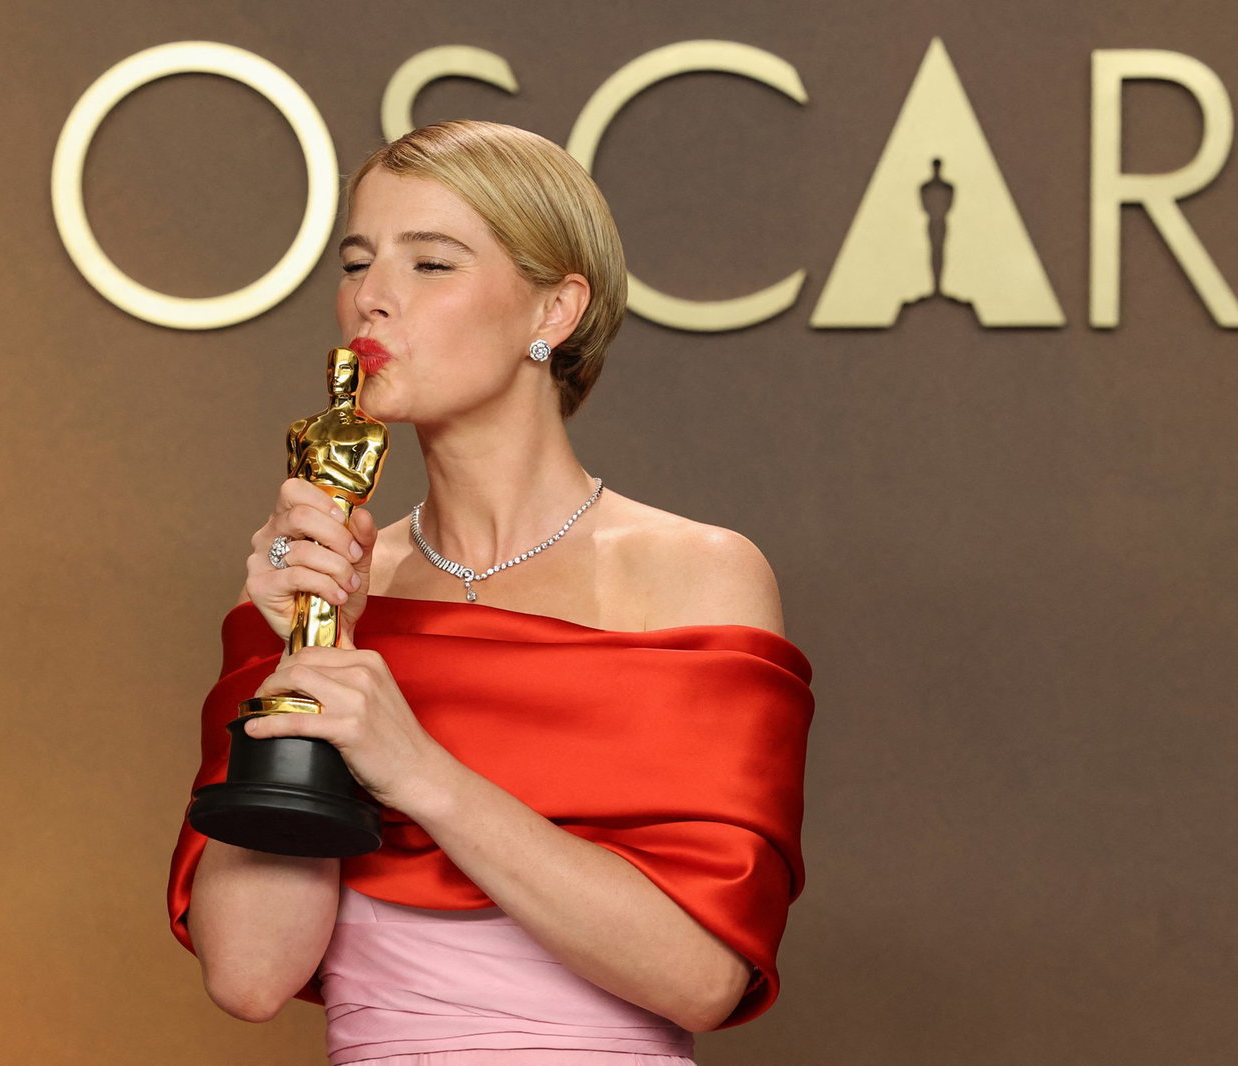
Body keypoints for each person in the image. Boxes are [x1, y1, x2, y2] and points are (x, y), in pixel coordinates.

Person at [166, 120, 815, 1065]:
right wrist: (307, 652)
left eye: (430, 263)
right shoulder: (321, 588)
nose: (369, 300)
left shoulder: (692, 576)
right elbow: (251, 978)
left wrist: (416, 767)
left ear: (554, 311)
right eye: (357, 261)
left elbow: (702, 979)